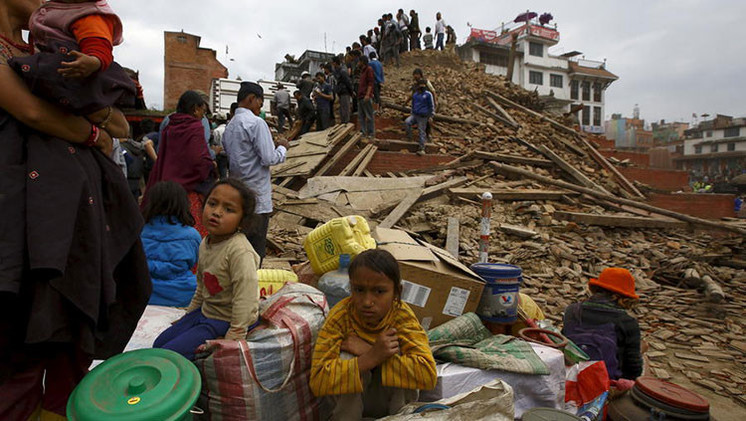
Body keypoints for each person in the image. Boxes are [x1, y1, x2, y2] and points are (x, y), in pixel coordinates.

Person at [0, 1, 150, 418]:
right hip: (19, 219)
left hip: (74, 220)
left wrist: (93, 111)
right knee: (19, 341)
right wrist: (90, 132)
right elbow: (30, 110)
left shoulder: (45, 50)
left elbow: (119, 125)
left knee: (69, 328)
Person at [310, 249, 437, 420]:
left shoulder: (402, 317)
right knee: (346, 357)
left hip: (388, 404)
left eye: (379, 291)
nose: (367, 302)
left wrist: (371, 353)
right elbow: (318, 381)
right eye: (359, 290)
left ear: (397, 292)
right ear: (351, 288)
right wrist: (368, 358)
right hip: (349, 409)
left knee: (400, 353)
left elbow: (428, 375)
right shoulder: (340, 317)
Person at [154, 179, 261, 360]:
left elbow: (246, 298)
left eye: (229, 209)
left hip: (227, 320)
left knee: (168, 355)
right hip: (206, 312)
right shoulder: (206, 242)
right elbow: (201, 287)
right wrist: (187, 317)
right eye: (212, 204)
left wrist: (234, 334)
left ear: (242, 221)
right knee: (158, 344)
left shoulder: (239, 252)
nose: (217, 212)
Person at [8, 0, 136, 126]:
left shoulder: (88, 15)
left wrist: (93, 60)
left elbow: (98, 45)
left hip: (74, 68)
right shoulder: (62, 8)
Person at [222, 82, 289, 262]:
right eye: (260, 102)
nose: (261, 106)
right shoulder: (256, 123)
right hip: (257, 199)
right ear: (251, 98)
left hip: (237, 197)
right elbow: (269, 158)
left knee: (238, 251)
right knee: (255, 253)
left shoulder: (230, 127)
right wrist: (282, 148)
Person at [145, 90, 215, 237]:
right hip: (188, 191)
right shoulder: (195, 127)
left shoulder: (169, 125)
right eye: (202, 111)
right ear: (195, 109)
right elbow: (199, 160)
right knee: (191, 232)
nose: (203, 115)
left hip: (166, 187)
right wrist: (211, 165)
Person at [562, 268, 643, 381]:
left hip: (566, 376)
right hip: (604, 383)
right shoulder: (627, 322)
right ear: (618, 297)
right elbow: (633, 369)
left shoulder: (572, 310)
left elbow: (561, 341)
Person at [141, 181, 201, 307]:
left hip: (144, 292)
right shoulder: (192, 235)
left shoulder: (139, 231)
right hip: (182, 294)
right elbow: (196, 262)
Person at [405, 80, 434, 155]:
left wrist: (431, 116)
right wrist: (412, 112)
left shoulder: (428, 94)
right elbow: (413, 104)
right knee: (407, 122)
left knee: (421, 131)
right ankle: (409, 137)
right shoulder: (415, 95)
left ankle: (422, 148)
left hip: (423, 116)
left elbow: (431, 106)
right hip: (415, 114)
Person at [357, 56, 375, 139]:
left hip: (365, 96)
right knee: (361, 116)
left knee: (369, 115)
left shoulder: (369, 70)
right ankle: (363, 133)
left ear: (362, 62)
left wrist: (368, 94)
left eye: (359, 62)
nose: (358, 63)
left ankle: (371, 133)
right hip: (361, 96)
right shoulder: (362, 71)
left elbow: (370, 83)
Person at [332, 56, 354, 124]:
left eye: (332, 63)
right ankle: (343, 122)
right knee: (341, 109)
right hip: (340, 92)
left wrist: (351, 91)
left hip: (345, 92)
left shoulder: (342, 71)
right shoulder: (336, 71)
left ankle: (346, 123)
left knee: (345, 108)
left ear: (335, 63)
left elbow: (348, 82)